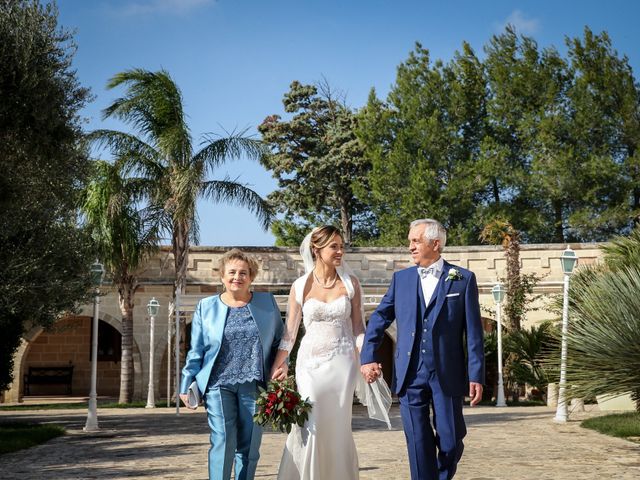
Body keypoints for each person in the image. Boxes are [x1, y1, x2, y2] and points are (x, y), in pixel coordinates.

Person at [360, 219, 484, 480]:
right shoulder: (401, 279)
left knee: (451, 440)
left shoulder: (463, 279)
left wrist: (476, 375)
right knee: (417, 443)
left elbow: (473, 332)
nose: (410, 247)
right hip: (410, 373)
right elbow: (380, 319)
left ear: (435, 244)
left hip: (446, 373)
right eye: (410, 242)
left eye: (415, 241)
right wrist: (368, 356)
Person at [270, 225, 391, 480]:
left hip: (343, 362)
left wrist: (366, 360)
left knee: (338, 426)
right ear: (317, 249)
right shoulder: (300, 286)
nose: (340, 251)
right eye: (334, 246)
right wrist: (278, 365)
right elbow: (290, 334)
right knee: (310, 421)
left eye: (341, 246)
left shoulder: (350, 284)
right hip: (310, 364)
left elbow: (359, 328)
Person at [179, 249, 284, 480]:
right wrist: (186, 382)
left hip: (255, 385)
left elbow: (280, 340)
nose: (238, 277)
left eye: (243, 273)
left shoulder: (267, 303)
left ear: (251, 277)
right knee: (223, 441)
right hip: (218, 384)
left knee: (250, 446)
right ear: (222, 276)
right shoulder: (206, 307)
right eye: (232, 272)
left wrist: (282, 365)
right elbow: (196, 350)